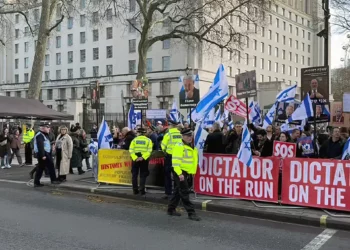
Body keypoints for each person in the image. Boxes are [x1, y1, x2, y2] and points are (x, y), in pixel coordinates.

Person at [167, 129, 201, 221]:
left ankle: (171, 209)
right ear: (182, 136)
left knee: (178, 191)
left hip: (186, 172)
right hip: (180, 171)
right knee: (184, 192)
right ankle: (191, 213)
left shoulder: (189, 145)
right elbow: (175, 161)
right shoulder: (179, 146)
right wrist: (179, 173)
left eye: (190, 136)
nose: (189, 138)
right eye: (187, 136)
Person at [33, 122, 60, 187]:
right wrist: (43, 155)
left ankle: (36, 182)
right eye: (47, 127)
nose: (49, 128)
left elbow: (45, 143)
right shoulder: (40, 135)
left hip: (45, 153)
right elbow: (40, 146)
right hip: (44, 153)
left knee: (41, 168)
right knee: (50, 166)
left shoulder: (43, 134)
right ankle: (53, 180)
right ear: (43, 128)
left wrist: (52, 144)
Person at [161, 120, 182, 199]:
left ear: (170, 126)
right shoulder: (180, 134)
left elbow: (163, 146)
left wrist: (164, 150)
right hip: (179, 156)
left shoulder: (168, 134)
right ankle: (177, 193)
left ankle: (168, 192)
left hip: (169, 156)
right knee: (177, 174)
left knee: (167, 175)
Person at [129, 128, 153, 195]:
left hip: (135, 158)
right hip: (144, 159)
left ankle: (135, 190)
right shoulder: (148, 140)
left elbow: (131, 150)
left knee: (134, 175)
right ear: (144, 133)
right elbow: (149, 151)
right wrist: (142, 157)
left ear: (138, 133)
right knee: (143, 175)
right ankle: (141, 190)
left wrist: (135, 158)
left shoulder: (134, 140)